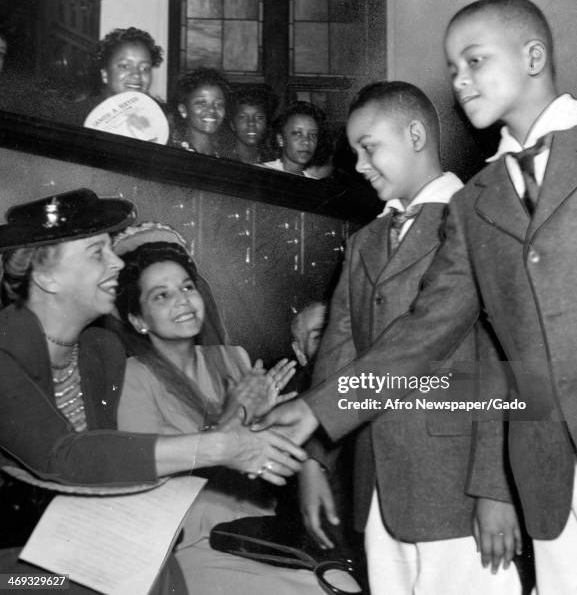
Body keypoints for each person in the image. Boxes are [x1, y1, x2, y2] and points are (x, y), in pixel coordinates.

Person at [256, 0, 577, 595]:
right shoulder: (480, 200)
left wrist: (491, 487)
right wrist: (318, 418)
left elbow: (486, 368)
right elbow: (425, 330)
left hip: (469, 474)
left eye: (474, 60)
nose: (459, 80)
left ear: (533, 56)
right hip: (516, 464)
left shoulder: (476, 197)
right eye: (452, 67)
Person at [0, 189, 306, 591]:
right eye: (98, 253)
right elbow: (64, 458)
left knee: (160, 579)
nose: (116, 263)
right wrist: (222, 446)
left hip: (73, 545)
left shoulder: (101, 351)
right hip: (14, 568)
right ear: (46, 276)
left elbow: (116, 465)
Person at [296, 81, 521, 595]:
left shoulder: (481, 219)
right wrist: (313, 456)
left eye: (369, 147)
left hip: (459, 492)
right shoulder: (365, 242)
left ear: (416, 134)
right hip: (379, 488)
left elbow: (505, 366)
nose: (358, 164)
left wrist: (497, 489)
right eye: (353, 152)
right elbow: (337, 354)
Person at [112, 222, 328, 595]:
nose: (182, 300)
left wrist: (277, 423)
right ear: (137, 319)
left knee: (341, 583)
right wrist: (234, 415)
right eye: (161, 296)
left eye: (187, 287)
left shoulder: (233, 358)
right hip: (188, 542)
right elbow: (148, 482)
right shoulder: (133, 377)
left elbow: (259, 460)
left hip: (257, 531)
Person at [171, 67, 229, 156]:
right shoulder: (173, 153)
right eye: (202, 103)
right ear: (183, 110)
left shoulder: (227, 156)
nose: (212, 109)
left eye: (218, 104)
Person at [262, 101, 326, 177]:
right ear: (280, 139)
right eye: (297, 134)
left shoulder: (315, 186)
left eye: (313, 135)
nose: (306, 141)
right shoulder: (260, 174)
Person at [221, 87, 276, 164]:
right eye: (243, 117)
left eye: (259, 117)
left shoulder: (273, 162)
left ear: (266, 124)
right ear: (232, 125)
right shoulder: (222, 159)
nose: (251, 123)